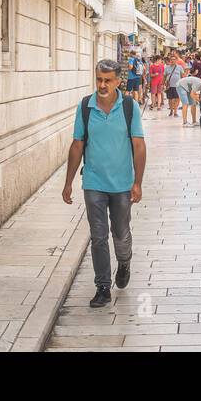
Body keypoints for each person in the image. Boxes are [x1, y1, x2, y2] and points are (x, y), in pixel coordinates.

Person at [62, 59, 146, 308]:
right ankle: (102, 287)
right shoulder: (86, 106)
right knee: (98, 236)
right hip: (94, 182)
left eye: (108, 80)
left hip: (121, 183)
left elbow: (138, 145)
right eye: (99, 79)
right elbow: (77, 144)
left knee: (120, 233)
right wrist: (68, 182)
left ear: (119, 81)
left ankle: (124, 261)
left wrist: (138, 182)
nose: (102, 84)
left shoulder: (130, 106)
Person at [164, 54, 183, 118]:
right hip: (169, 86)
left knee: (177, 98)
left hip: (177, 85)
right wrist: (163, 83)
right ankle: (171, 110)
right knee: (170, 99)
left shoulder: (179, 67)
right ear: (170, 60)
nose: (173, 61)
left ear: (176, 60)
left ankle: (175, 111)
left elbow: (182, 75)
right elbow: (164, 76)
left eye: (174, 59)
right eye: (171, 59)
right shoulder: (167, 67)